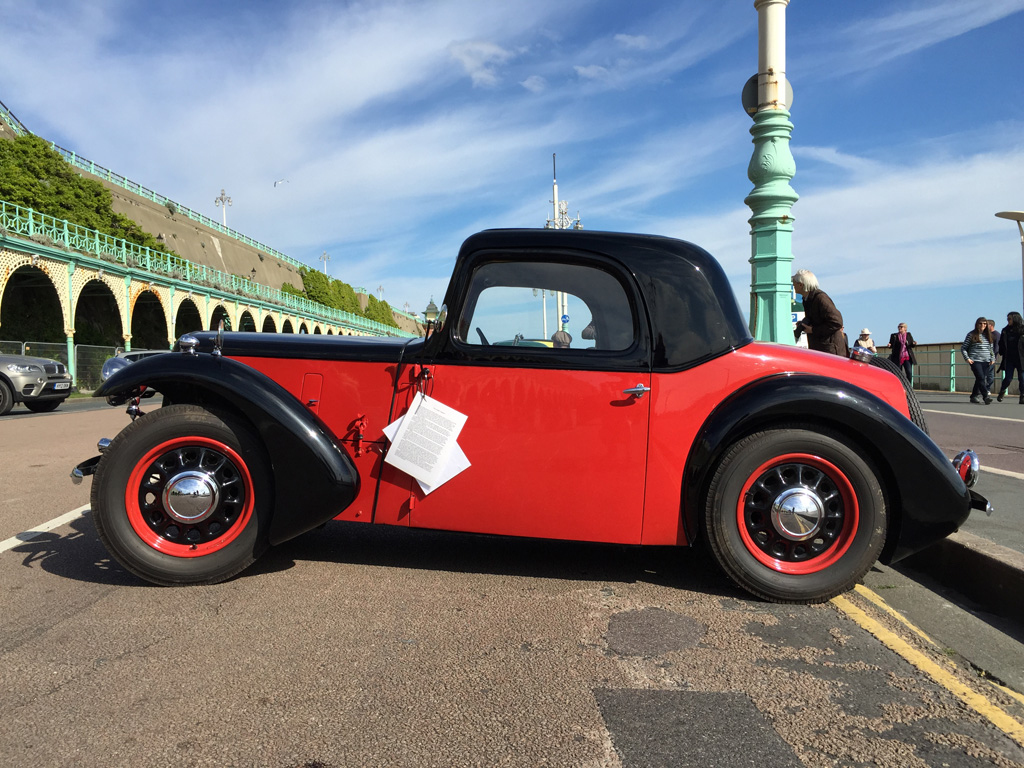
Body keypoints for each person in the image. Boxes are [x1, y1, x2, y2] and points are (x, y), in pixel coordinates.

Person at [792, 269, 847, 356]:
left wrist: (813, 330)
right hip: (823, 349)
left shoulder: (820, 298)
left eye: (794, 282)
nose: (793, 285)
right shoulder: (808, 299)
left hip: (830, 352)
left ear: (801, 285)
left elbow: (837, 322)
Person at [961, 317, 995, 404]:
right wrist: (967, 358)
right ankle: (986, 396)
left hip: (986, 360)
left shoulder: (988, 335)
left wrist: (992, 358)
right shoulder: (971, 334)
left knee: (980, 378)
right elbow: (964, 348)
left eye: (984, 324)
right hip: (975, 360)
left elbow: (991, 349)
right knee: (981, 377)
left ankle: (974, 396)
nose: (982, 325)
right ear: (977, 324)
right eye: (980, 323)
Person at [996, 311, 1024, 403]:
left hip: (1021, 359)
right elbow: (1001, 343)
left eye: (1010, 319)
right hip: (1009, 359)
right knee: (1008, 378)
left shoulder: (1022, 329)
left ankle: (1022, 396)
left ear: (1015, 319)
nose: (1008, 320)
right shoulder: (1005, 330)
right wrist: (1001, 351)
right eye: (1007, 319)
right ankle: (1002, 390)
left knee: (1022, 378)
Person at [987, 319, 1001, 395]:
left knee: (989, 373)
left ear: (991, 325)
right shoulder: (985, 334)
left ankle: (987, 389)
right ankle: (982, 388)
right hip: (984, 357)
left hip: (991, 357)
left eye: (987, 325)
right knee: (982, 374)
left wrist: (993, 357)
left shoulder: (996, 335)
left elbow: (997, 347)